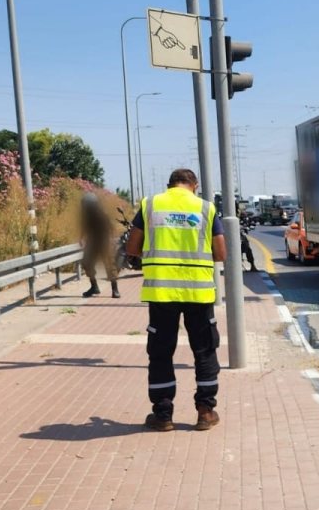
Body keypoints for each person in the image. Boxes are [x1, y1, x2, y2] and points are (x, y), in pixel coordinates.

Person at [124, 168, 227, 433]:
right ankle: (205, 412)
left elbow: (132, 247)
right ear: (195, 186)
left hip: (162, 293)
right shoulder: (205, 208)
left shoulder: (151, 204)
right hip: (198, 292)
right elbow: (221, 253)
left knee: (160, 353)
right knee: (204, 350)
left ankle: (163, 415)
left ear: (168, 185)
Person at [79, 192, 120, 299]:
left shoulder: (102, 214)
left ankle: (115, 289)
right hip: (92, 242)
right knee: (86, 263)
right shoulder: (86, 216)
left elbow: (110, 229)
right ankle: (94, 287)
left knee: (109, 265)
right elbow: (85, 227)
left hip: (104, 242)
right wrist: (82, 238)